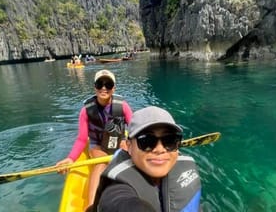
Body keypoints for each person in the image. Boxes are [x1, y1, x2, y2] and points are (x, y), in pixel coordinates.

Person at [88, 106, 201, 212]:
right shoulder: (117, 188)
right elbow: (118, 202)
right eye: (147, 141)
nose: (160, 149)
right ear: (129, 147)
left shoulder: (181, 165)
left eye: (169, 140)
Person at [55, 69, 133, 209]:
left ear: (113, 88)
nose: (104, 88)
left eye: (108, 84)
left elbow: (134, 129)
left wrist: (132, 146)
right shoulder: (86, 110)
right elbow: (81, 139)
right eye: (100, 84)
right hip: (98, 145)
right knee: (100, 164)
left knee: (128, 156)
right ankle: (91, 206)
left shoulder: (123, 106)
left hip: (119, 140)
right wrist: (71, 159)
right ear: (95, 87)